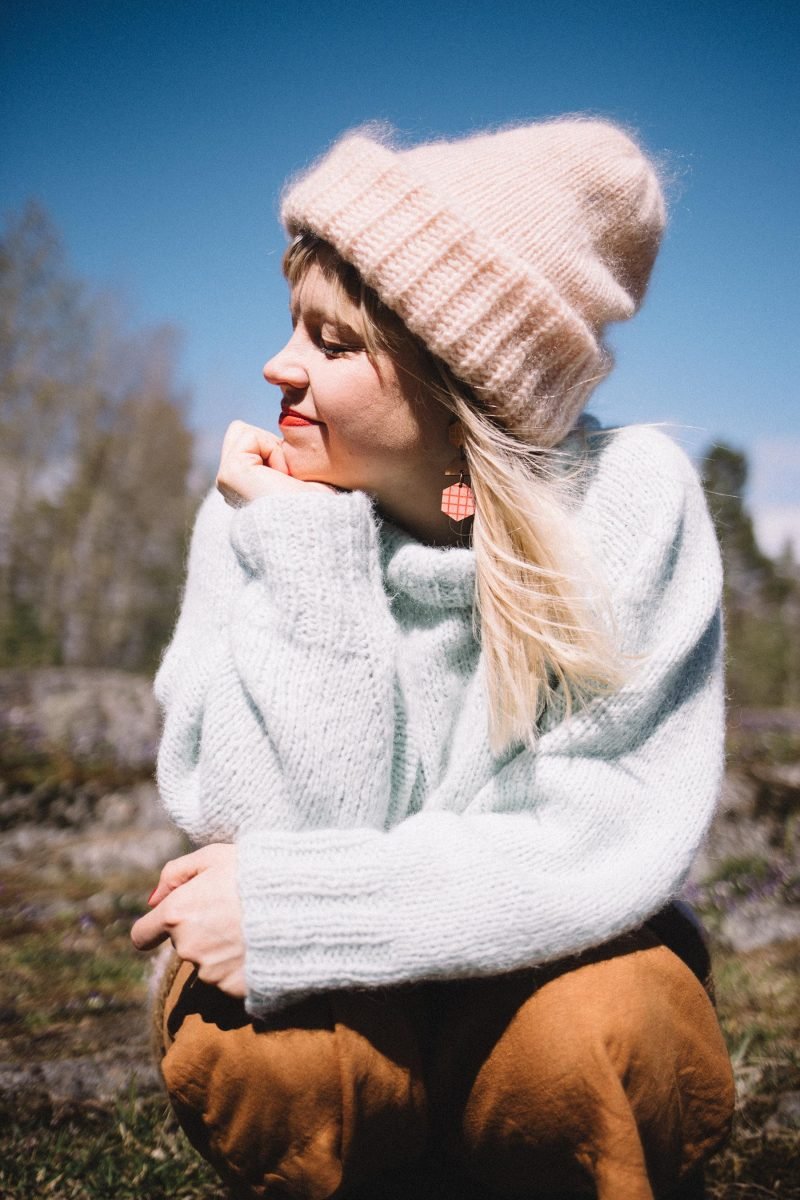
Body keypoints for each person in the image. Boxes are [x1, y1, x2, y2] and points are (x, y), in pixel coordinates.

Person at [131, 117, 735, 1199]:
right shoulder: (259, 513)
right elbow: (259, 833)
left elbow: (595, 836)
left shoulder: (628, 506)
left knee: (607, 1027)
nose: (277, 365)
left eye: (334, 343)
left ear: (465, 392)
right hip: (360, 1020)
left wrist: (302, 913)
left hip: (548, 973)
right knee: (264, 1051)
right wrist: (308, 555)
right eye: (292, 324)